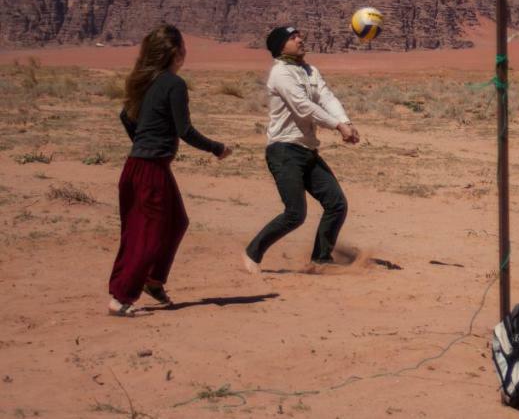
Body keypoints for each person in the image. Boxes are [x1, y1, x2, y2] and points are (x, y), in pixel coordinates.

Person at [109, 24, 233, 316]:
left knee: (175, 222)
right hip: (150, 168)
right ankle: (120, 297)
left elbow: (125, 117)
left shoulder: (146, 82)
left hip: (137, 167)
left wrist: (141, 142)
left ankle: (153, 280)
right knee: (147, 235)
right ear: (176, 52)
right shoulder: (173, 84)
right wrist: (217, 148)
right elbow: (185, 130)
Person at [243, 26, 360, 273]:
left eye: (299, 35)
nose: (300, 39)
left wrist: (345, 120)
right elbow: (302, 106)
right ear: (279, 46)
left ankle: (321, 258)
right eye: (292, 37)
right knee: (295, 213)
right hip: (284, 150)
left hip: (307, 151)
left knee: (336, 203)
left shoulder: (310, 71)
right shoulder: (280, 74)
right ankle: (252, 253)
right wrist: (337, 126)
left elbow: (327, 98)